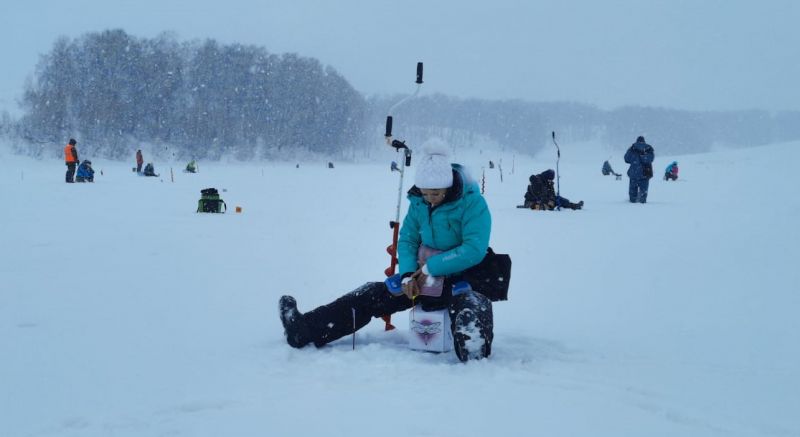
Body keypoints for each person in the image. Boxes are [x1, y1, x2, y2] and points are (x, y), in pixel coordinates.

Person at [279, 149, 495, 362]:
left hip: (462, 274)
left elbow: (474, 248)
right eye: (425, 193)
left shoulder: (472, 203)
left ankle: (473, 345)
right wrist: (408, 275)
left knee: (470, 304)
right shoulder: (419, 203)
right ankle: (304, 330)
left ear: (448, 186)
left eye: (436, 193)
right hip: (422, 276)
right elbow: (408, 239)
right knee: (370, 295)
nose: (430, 199)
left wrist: (430, 267)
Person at [624, 135, 655, 203]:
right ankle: (642, 202)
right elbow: (651, 159)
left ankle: (632, 201)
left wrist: (634, 158)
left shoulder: (632, 148)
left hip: (634, 172)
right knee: (643, 190)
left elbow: (626, 159)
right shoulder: (648, 148)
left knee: (632, 191)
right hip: (645, 172)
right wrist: (643, 157)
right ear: (644, 141)